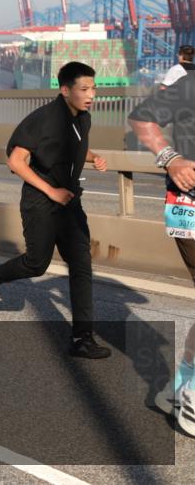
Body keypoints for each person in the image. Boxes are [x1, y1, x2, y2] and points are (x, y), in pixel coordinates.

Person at [0, 61, 111, 358]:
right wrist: (51, 191)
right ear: (65, 90)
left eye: (93, 89)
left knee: (81, 266)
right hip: (41, 202)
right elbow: (16, 162)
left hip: (70, 203)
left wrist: (94, 157)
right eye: (84, 89)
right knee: (37, 264)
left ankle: (82, 339)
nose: (91, 95)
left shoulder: (83, 118)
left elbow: (72, 147)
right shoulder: (42, 119)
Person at [128, 62, 195, 435]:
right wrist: (171, 159)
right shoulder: (192, 84)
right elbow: (142, 118)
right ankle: (192, 401)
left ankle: (179, 386)